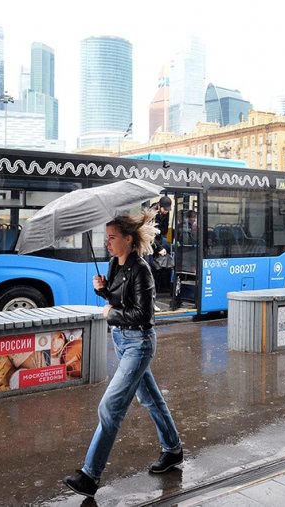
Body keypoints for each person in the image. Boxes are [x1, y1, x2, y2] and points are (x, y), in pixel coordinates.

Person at [63, 209, 183, 498]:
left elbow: (143, 314)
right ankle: (173, 450)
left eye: (112, 237)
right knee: (151, 398)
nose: (108, 242)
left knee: (109, 407)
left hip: (139, 343)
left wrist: (110, 312)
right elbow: (119, 300)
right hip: (122, 341)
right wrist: (104, 292)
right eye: (107, 238)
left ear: (128, 239)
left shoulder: (142, 270)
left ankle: (90, 476)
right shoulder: (114, 264)